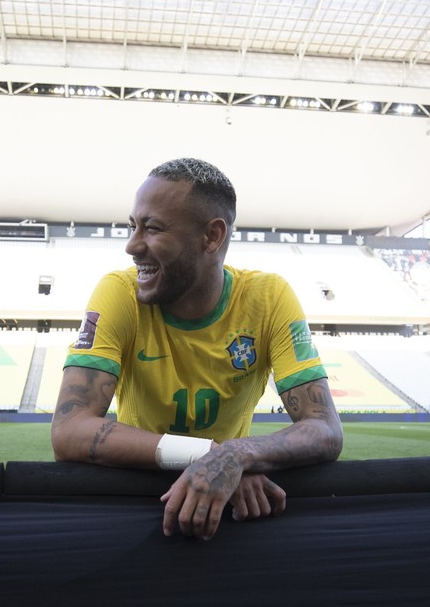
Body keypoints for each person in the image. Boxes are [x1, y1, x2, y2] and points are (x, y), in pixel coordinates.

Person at [51, 158, 343, 541]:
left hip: (224, 511)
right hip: (136, 505)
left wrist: (238, 456)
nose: (132, 245)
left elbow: (324, 428)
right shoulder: (119, 292)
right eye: (132, 225)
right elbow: (68, 430)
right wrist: (215, 454)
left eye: (152, 228)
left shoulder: (269, 298)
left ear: (212, 236)